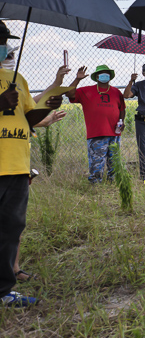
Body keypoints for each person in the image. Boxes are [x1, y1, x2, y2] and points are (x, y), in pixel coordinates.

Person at [0, 20, 62, 307]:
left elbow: (28, 118)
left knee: (11, 227)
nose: (3, 47)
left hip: (16, 166)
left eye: (4, 41)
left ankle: (3, 292)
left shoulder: (18, 80)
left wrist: (46, 108)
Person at [65, 64, 126, 184]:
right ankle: (95, 183)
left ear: (110, 76)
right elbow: (69, 94)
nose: (104, 75)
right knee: (96, 161)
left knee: (114, 161)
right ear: (97, 76)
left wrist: (121, 121)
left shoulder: (116, 92)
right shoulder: (86, 90)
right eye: (101, 73)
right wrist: (77, 79)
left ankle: (113, 182)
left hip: (114, 133)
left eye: (106, 73)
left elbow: (122, 109)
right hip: (96, 133)